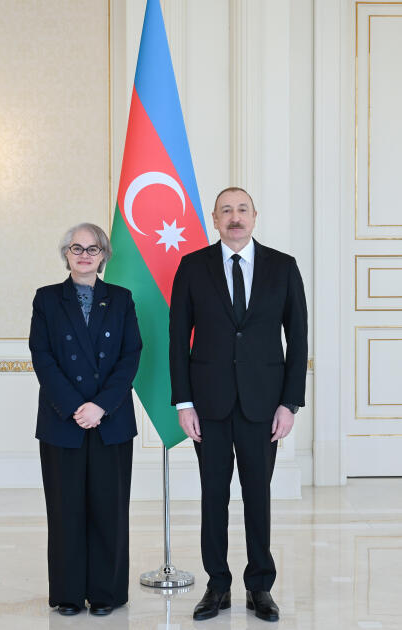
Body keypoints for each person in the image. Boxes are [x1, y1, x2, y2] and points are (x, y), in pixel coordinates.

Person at [169, 187, 307, 622]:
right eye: (226, 210)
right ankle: (217, 585)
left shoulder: (283, 267)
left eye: (242, 209)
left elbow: (298, 339)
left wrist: (289, 403)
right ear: (214, 219)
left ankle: (259, 586)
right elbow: (178, 338)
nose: (235, 217)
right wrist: (184, 402)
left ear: (254, 216)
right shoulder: (192, 266)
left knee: (257, 497)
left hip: (263, 406)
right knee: (213, 496)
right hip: (208, 404)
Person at [29, 222, 142, 616]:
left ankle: (107, 594)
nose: (84, 255)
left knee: (110, 511)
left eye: (92, 249)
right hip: (63, 421)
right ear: (66, 253)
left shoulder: (122, 299)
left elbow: (130, 356)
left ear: (103, 255)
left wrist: (100, 407)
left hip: (111, 420)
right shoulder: (46, 299)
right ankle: (68, 594)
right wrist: (77, 407)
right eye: (76, 248)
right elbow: (42, 357)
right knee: (66, 511)